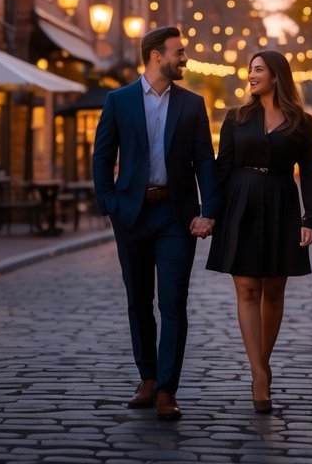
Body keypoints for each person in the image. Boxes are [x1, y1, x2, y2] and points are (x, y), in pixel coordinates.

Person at [92, 26, 219, 421]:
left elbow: (205, 161)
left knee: (173, 302)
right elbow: (101, 156)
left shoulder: (193, 105)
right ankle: (146, 377)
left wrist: (208, 211)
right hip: (131, 214)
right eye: (178, 52)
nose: (184, 59)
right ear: (155, 56)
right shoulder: (119, 100)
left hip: (176, 217)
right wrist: (110, 205)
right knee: (138, 300)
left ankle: (167, 389)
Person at [206, 50, 312, 414]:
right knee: (247, 288)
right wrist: (209, 213)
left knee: (274, 288)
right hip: (240, 202)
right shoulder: (236, 118)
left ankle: (262, 362)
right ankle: (259, 375)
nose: (251, 76)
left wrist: (310, 218)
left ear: (276, 76)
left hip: (282, 204)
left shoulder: (303, 123)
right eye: (250, 70)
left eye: (258, 70)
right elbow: (222, 168)